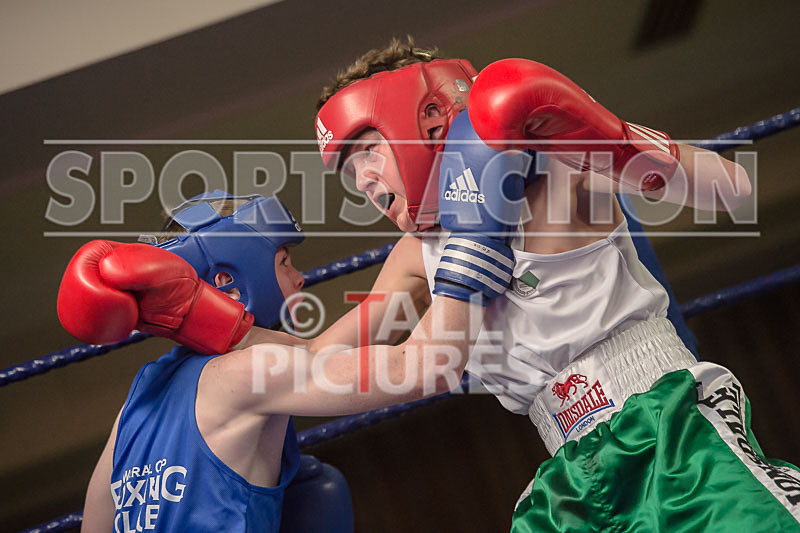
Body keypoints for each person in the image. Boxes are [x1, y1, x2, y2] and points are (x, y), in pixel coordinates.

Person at [308, 38, 800, 530]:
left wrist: (615, 139)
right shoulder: (418, 253)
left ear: (428, 120)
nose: (364, 181)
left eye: (369, 151)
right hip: (568, 473)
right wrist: (235, 342)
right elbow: (323, 355)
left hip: (666, 423)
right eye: (350, 170)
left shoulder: (560, 174)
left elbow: (733, 188)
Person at [62, 192, 354, 533]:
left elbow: (94, 525)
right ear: (227, 283)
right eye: (284, 262)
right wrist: (416, 263)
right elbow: (401, 369)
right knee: (317, 493)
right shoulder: (247, 371)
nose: (300, 276)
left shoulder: (142, 391)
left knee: (307, 489)